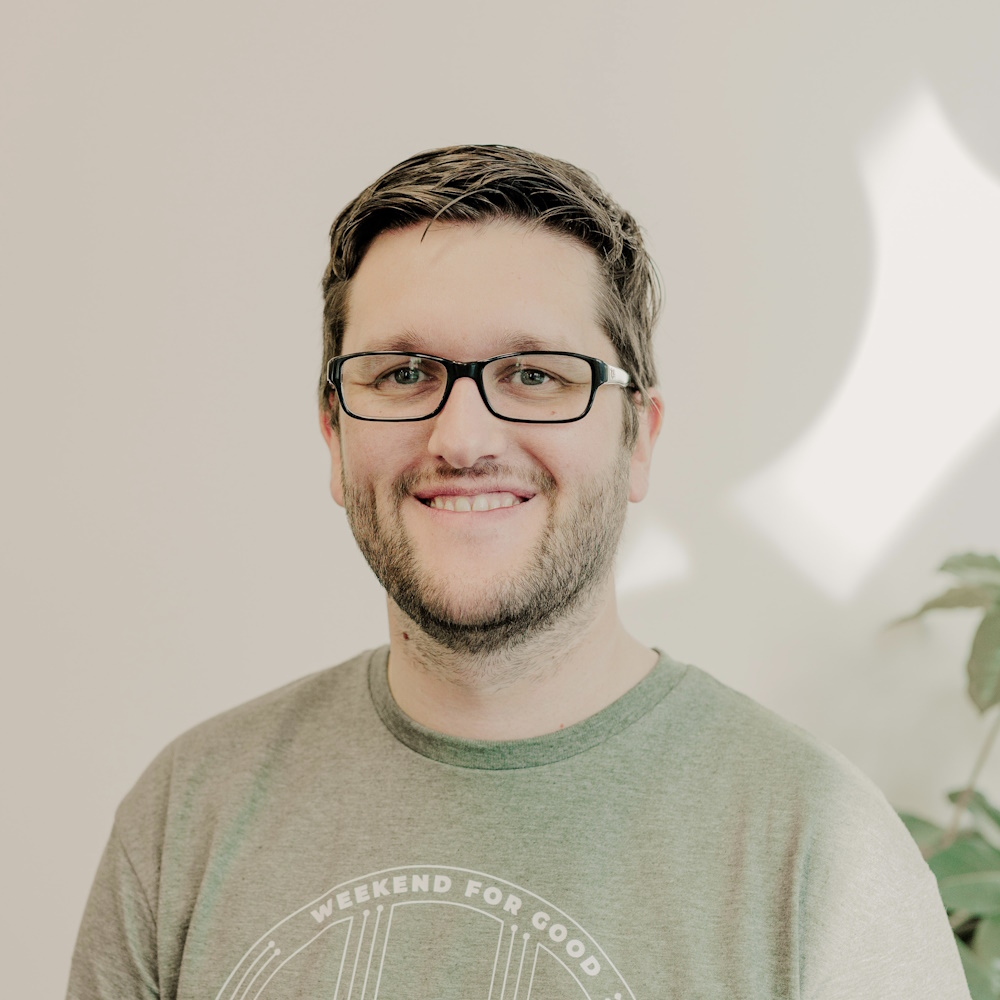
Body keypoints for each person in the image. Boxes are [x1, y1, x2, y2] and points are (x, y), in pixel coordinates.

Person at [67, 145, 970, 1000]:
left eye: (536, 374)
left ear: (637, 440)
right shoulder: (186, 816)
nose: (461, 437)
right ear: (334, 438)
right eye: (404, 372)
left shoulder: (822, 854)